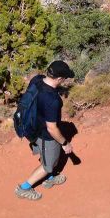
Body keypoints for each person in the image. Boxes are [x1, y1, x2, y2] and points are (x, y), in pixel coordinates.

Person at [15, 60, 76, 200]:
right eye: (65, 78)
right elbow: (52, 128)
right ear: (59, 78)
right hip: (45, 135)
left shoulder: (37, 80)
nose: (65, 81)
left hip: (31, 128)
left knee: (49, 157)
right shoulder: (52, 100)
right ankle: (24, 188)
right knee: (48, 165)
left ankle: (51, 176)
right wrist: (65, 143)